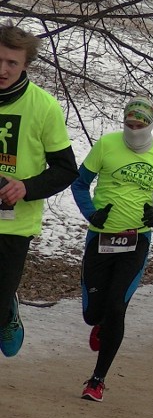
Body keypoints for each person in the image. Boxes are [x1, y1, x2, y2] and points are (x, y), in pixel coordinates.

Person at [70, 96, 153, 401]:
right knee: (93, 314)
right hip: (101, 238)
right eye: (129, 125)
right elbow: (79, 184)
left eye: (140, 125)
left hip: (136, 241)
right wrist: (91, 213)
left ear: (150, 125)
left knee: (117, 306)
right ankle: (100, 323)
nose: (134, 130)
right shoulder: (106, 145)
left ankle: (97, 380)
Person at [0, 25, 78, 358]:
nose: (2, 70)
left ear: (25, 65)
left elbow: (66, 169)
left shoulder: (44, 107)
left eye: (12, 63)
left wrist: (26, 187)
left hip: (13, 225)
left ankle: (7, 311)